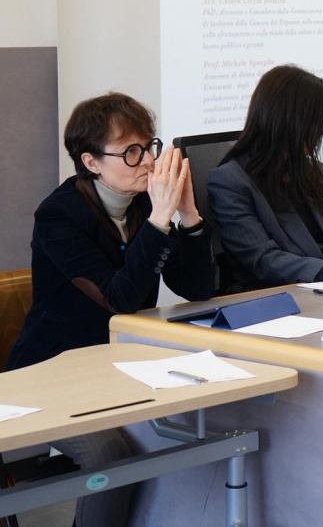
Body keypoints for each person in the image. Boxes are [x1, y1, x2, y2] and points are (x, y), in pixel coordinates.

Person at [4, 92, 216, 527]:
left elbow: (198, 288)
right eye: (131, 152)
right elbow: (119, 298)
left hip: (119, 363)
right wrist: (160, 219)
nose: (147, 161)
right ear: (92, 162)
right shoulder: (59, 216)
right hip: (52, 370)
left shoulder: (144, 203)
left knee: (200, 420)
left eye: (149, 146)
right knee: (111, 455)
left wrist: (189, 216)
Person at [208, 64, 323, 290]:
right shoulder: (230, 182)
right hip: (275, 296)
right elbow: (262, 260)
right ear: (290, 121)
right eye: (317, 120)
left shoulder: (316, 173)